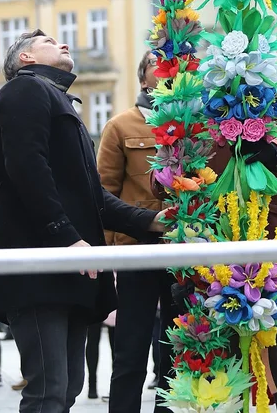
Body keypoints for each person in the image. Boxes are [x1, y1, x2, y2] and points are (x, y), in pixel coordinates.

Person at [0, 30, 167, 413]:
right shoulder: (24, 90)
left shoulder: (59, 101)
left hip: (69, 268)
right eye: (48, 41)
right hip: (40, 266)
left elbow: (92, 196)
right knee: (48, 391)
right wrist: (66, 236)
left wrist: (152, 222)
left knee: (65, 390)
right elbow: (26, 167)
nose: (63, 44)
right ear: (26, 59)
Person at [209, 99, 277, 413]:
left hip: (272, 258)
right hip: (214, 256)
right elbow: (171, 172)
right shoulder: (202, 111)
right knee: (219, 376)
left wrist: (274, 150)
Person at [98, 50, 176, 413]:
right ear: (144, 78)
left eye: (171, 66)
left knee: (178, 346)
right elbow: (103, 193)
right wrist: (114, 254)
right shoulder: (120, 126)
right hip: (136, 248)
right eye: (155, 67)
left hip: (184, 248)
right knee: (130, 348)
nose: (165, 72)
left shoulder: (192, 124)